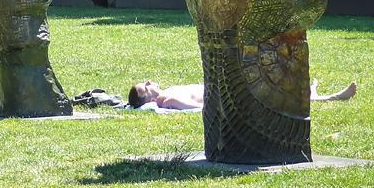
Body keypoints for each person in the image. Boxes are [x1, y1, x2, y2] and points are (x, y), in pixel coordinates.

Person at [128, 79, 357, 110]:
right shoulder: (168, 99)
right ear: (148, 98)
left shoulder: (166, 94)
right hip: (226, 95)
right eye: (146, 86)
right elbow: (200, 108)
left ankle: (310, 92)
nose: (150, 82)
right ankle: (334, 97)